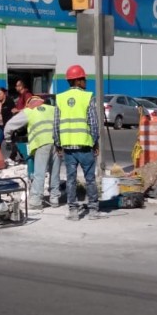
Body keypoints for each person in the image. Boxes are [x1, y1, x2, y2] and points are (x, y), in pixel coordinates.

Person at [54, 65, 101, 221]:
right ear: (77, 81)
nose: (86, 81)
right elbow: (93, 123)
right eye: (83, 79)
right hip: (85, 147)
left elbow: (56, 124)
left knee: (71, 179)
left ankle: (73, 211)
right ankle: (93, 210)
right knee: (90, 179)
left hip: (68, 148)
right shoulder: (88, 97)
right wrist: (95, 143)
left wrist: (58, 144)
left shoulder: (60, 98)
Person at [4, 95, 61, 209]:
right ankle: (54, 198)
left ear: (29, 104)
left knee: (39, 172)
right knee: (55, 172)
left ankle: (36, 200)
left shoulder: (29, 111)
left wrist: (8, 139)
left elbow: (9, 125)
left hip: (42, 142)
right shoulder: (53, 109)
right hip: (57, 142)